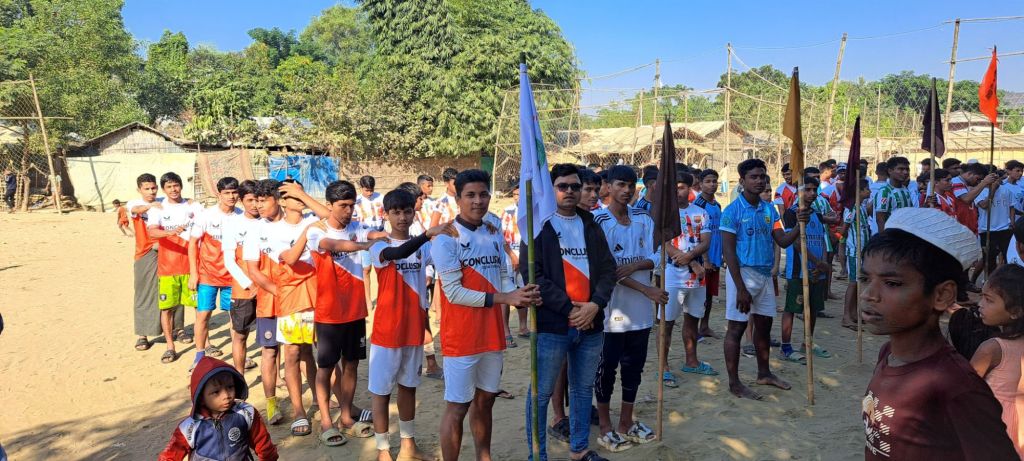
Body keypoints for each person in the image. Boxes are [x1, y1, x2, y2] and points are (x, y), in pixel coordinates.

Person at [860, 207, 1016, 460]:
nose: (869, 295)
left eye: (892, 283)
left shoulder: (956, 385)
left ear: (942, 295)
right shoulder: (888, 354)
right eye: (865, 279)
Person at [431, 169, 540, 461]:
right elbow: (453, 293)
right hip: (461, 337)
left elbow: (502, 276)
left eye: (483, 194)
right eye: (470, 195)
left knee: (486, 399)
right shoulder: (445, 238)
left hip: (492, 334)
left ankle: (484, 456)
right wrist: (506, 297)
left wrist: (520, 294)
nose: (478, 201)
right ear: (457, 199)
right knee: (458, 406)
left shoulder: (493, 231)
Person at [522, 163, 616, 461]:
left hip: (591, 323)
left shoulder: (591, 224)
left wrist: (595, 304)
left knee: (582, 389)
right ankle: (538, 455)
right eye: (563, 186)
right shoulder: (538, 226)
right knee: (541, 393)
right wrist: (568, 309)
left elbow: (608, 270)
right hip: (552, 325)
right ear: (551, 189)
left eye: (575, 186)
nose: (570, 192)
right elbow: (533, 274)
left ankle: (579, 449)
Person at [368, 188, 452, 461]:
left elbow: (448, 256)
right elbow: (398, 252)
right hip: (386, 332)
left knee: (408, 387)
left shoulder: (424, 247)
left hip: (414, 329)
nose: (402, 217)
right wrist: (427, 234)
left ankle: (408, 446)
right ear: (386, 214)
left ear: (414, 213)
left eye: (407, 211)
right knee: (381, 392)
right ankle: (383, 449)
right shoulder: (378, 246)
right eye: (396, 212)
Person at [245, 179, 328, 437]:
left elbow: (332, 217)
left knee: (312, 351)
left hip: (314, 297)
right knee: (288, 353)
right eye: (256, 201)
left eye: (263, 200)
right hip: (285, 300)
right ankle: (296, 410)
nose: (259, 206)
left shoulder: (307, 220)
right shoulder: (259, 230)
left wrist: (302, 195)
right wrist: (279, 292)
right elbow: (254, 270)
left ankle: (321, 399)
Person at [302, 180, 381, 445]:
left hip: (355, 310)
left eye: (351, 205)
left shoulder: (357, 228)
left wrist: (387, 235)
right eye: (342, 206)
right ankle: (326, 421)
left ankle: (346, 417)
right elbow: (334, 245)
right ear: (329, 205)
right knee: (325, 367)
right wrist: (363, 246)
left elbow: (376, 234)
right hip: (329, 313)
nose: (348, 211)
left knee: (351, 364)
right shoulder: (316, 231)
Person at [591, 165, 665, 451]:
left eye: (631, 185)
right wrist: (646, 288)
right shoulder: (598, 221)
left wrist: (637, 265)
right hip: (612, 312)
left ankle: (626, 422)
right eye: (620, 184)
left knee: (634, 367)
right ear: (608, 186)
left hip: (641, 312)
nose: (626, 190)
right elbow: (607, 269)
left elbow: (658, 255)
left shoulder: (644, 218)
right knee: (607, 368)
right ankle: (605, 426)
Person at [721, 159, 806, 400]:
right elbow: (728, 252)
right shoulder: (731, 212)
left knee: (765, 326)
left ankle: (764, 373)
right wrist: (740, 288)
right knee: (736, 328)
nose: (759, 181)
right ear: (742, 181)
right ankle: (734, 383)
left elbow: (782, 241)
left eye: (762, 177)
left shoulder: (769, 210)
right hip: (743, 274)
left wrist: (799, 225)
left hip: (765, 274)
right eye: (754, 177)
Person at [158, 356, 278, 461]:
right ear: (201, 397)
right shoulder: (189, 427)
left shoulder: (246, 413)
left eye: (230, 387)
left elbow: (264, 445)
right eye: (216, 392)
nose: (226, 395)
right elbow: (169, 456)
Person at [659, 170, 714, 390]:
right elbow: (665, 243)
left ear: (689, 188)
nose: (677, 191)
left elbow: (706, 241)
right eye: (673, 187)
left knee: (692, 319)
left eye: (681, 187)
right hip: (673, 275)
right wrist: (690, 262)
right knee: (667, 323)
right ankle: (663, 367)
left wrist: (691, 258)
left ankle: (692, 361)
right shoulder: (664, 214)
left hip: (697, 277)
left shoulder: (700, 212)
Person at [147, 172, 202, 364]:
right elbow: (152, 231)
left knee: (199, 307)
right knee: (167, 309)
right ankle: (170, 347)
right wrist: (170, 232)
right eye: (169, 187)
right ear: (163, 189)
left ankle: (205, 344)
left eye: (176, 185)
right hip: (168, 268)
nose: (173, 189)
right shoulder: (158, 208)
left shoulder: (193, 206)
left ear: (181, 186)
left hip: (191, 266)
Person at [970, 264, 1024, 458]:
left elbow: (965, 389)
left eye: (989, 300)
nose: (980, 304)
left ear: (1015, 311)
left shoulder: (992, 349)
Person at [187, 177, 241, 370]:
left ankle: (238, 356)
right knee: (203, 315)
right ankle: (199, 356)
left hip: (232, 277)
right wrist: (193, 273)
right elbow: (193, 244)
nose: (231, 196)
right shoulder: (206, 215)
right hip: (207, 275)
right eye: (227, 193)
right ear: (219, 194)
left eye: (234, 192)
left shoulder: (241, 217)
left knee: (234, 318)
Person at [128, 174, 186, 352]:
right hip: (145, 252)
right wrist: (150, 206)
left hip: (167, 249)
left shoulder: (163, 202)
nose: (151, 192)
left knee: (176, 286)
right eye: (146, 189)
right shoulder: (134, 203)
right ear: (139, 190)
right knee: (145, 292)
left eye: (153, 188)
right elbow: (136, 209)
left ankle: (178, 328)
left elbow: (180, 202)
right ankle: (143, 334)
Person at [779, 176, 831, 363]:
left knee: (813, 307)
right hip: (798, 270)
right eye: (807, 189)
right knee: (792, 307)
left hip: (817, 270)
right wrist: (817, 262)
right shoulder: (792, 213)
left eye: (814, 190)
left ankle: (807, 341)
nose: (812, 193)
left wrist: (822, 263)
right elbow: (795, 243)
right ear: (798, 191)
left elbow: (822, 240)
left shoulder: (816, 214)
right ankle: (786, 347)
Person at [221, 180, 261, 374]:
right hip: (243, 290)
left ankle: (276, 377)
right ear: (241, 200)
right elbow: (229, 261)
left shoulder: (268, 223)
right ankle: (239, 376)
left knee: (271, 338)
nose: (255, 205)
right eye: (250, 200)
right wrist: (250, 285)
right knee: (240, 335)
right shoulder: (233, 224)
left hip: (267, 288)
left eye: (258, 200)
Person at [693, 169, 722, 339]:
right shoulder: (698, 205)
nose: (712, 184)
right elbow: (696, 234)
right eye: (708, 181)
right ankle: (694, 328)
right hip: (703, 258)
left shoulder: (717, 205)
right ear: (701, 183)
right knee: (699, 294)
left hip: (715, 257)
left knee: (709, 294)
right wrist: (705, 259)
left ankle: (704, 326)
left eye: (714, 181)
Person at [840, 178, 872, 330]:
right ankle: (846, 316)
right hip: (854, 251)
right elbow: (844, 229)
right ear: (859, 191)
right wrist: (846, 242)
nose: (869, 192)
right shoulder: (852, 208)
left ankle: (853, 313)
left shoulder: (861, 207)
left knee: (858, 282)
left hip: (862, 250)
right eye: (867, 189)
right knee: (853, 282)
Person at [501, 180, 529, 338]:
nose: (517, 197)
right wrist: (512, 256)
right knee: (506, 292)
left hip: (526, 256)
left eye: (520, 194)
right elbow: (501, 237)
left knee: (523, 291)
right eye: (514, 194)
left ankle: (523, 327)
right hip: (509, 256)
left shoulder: (531, 211)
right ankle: (505, 331)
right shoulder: (508, 212)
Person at [975, 168, 1014, 279]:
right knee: (989, 260)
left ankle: (1008, 281)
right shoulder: (979, 191)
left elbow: (1011, 206)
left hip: (1005, 229)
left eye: (996, 176)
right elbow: (984, 205)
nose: (995, 179)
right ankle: (989, 281)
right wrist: (992, 190)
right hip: (987, 230)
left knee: (1009, 257)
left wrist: (1012, 222)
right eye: (992, 177)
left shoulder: (1006, 190)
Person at [872, 157, 914, 232]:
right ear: (890, 171)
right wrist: (885, 238)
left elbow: (910, 213)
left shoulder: (905, 190)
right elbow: (880, 219)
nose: (905, 172)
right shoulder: (885, 192)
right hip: (891, 236)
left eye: (907, 169)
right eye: (901, 169)